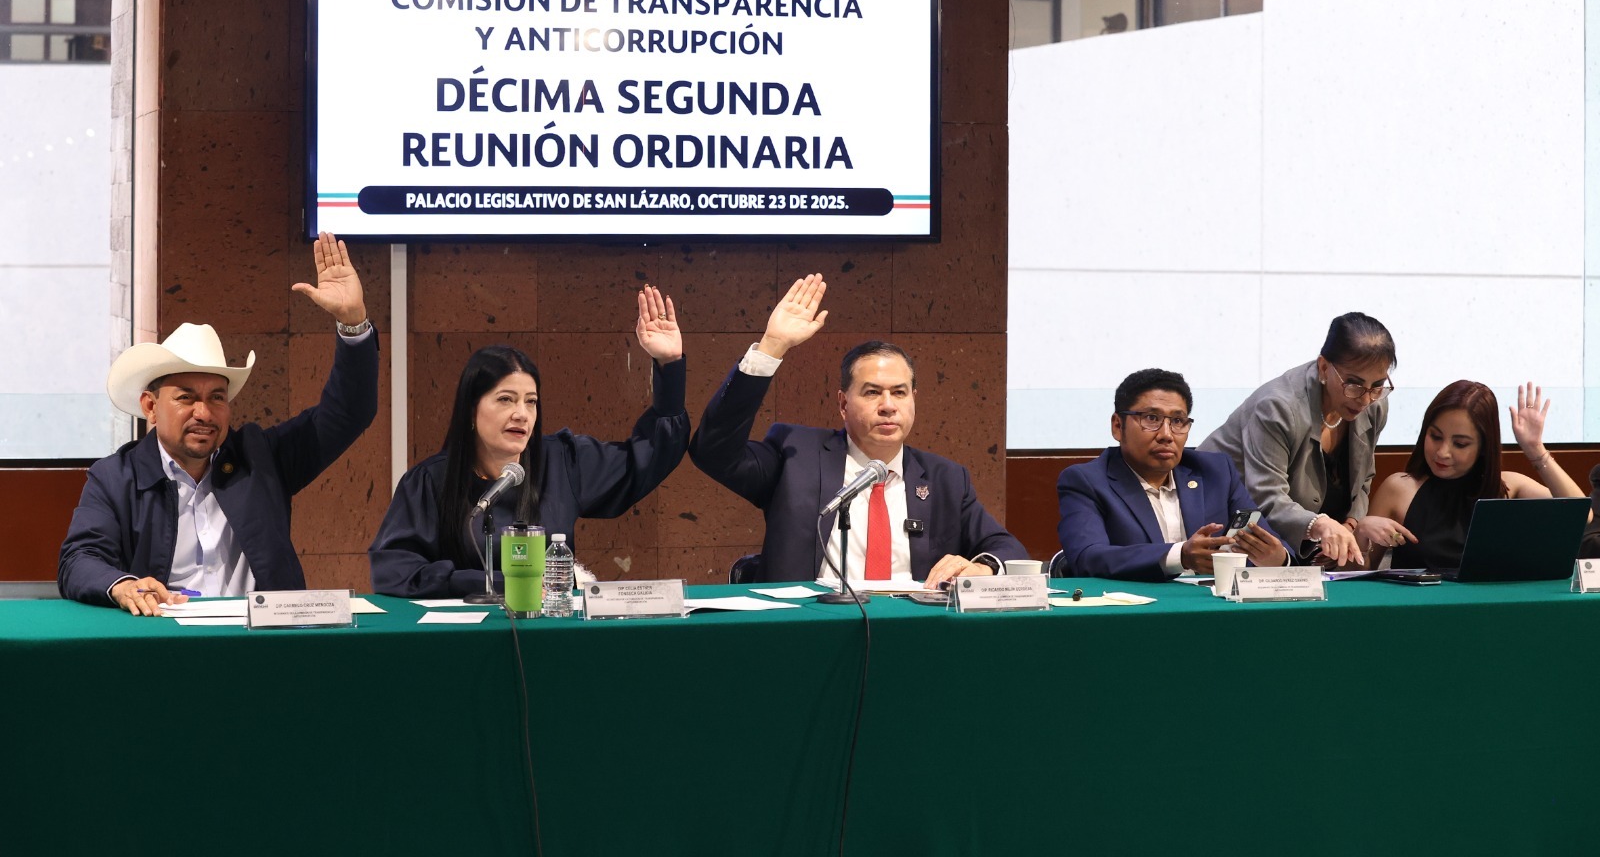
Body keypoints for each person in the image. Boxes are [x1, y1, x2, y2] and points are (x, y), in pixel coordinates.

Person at [58, 232, 379, 614]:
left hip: (259, 640)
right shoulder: (116, 478)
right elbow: (78, 560)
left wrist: (353, 323)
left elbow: (347, 413)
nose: (204, 413)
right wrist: (124, 585)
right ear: (150, 406)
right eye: (186, 397)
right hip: (164, 637)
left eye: (216, 397)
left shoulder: (260, 458)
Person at [689, 274, 1027, 587]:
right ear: (843, 403)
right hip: (813, 623)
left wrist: (984, 567)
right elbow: (713, 452)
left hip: (912, 624)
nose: (888, 405)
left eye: (899, 392)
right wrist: (771, 348)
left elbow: (1006, 548)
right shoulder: (795, 456)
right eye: (872, 392)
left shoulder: (946, 479)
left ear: (913, 399)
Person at [368, 286, 688, 597]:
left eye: (531, 402)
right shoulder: (430, 481)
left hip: (547, 623)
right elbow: (394, 571)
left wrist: (669, 365)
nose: (521, 414)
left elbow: (650, 455)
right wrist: (494, 584)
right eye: (505, 399)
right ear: (471, 411)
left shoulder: (562, 461)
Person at [1199, 312, 1402, 567]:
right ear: (1324, 367)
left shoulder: (1374, 404)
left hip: (1287, 544)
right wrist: (1320, 525)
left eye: (1378, 385)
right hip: (1220, 523)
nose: (1365, 399)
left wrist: (1349, 525)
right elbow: (1266, 497)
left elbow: (1363, 479)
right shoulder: (1279, 406)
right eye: (1354, 384)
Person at [1057, 368, 1290, 580]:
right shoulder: (1087, 481)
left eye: (1178, 421)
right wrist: (1180, 556)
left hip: (1212, 606)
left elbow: (1268, 544)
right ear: (1118, 426)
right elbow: (1088, 558)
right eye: (1151, 419)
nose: (1166, 435)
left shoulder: (1216, 472)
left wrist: (1278, 559)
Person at [1367, 381, 1584, 569]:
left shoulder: (1509, 486)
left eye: (1460, 444)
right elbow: (1357, 577)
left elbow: (1581, 514)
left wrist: (1535, 449)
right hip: (1417, 604)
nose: (1442, 452)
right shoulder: (1398, 488)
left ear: (1483, 447)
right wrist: (1362, 532)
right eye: (1435, 437)